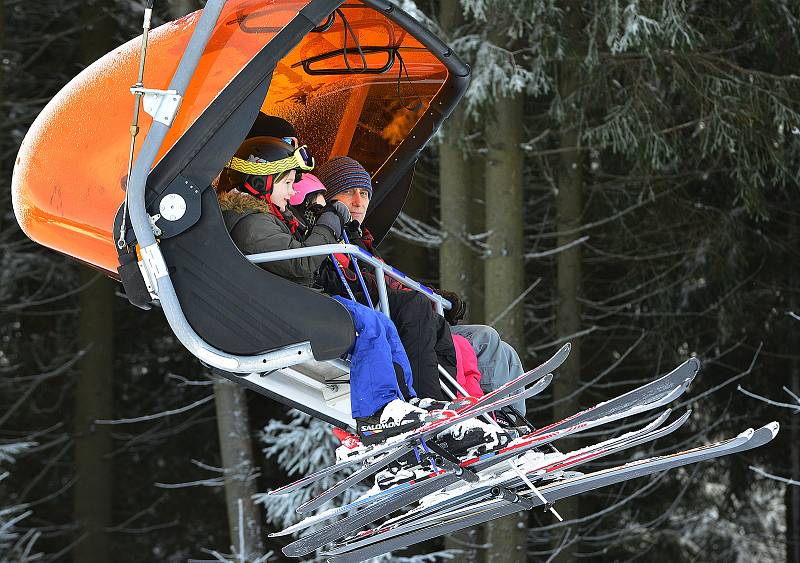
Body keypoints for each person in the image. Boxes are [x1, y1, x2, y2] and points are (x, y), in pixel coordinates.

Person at [216, 136, 431, 444]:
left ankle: (407, 403)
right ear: (261, 182)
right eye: (287, 183)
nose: (292, 192)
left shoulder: (269, 216)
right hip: (285, 307)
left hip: (297, 301)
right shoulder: (251, 223)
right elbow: (301, 265)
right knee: (368, 325)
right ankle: (375, 415)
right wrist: (329, 219)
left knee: (380, 323)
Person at [314, 156, 528, 415]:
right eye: (348, 192)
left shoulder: (360, 240)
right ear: (328, 198)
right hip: (397, 326)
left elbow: (392, 280)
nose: (358, 202)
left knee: (501, 349)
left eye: (364, 193)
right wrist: (423, 299)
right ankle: (497, 414)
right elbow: (359, 281)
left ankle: (514, 420)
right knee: (484, 339)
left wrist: (433, 295)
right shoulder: (330, 237)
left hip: (409, 320)